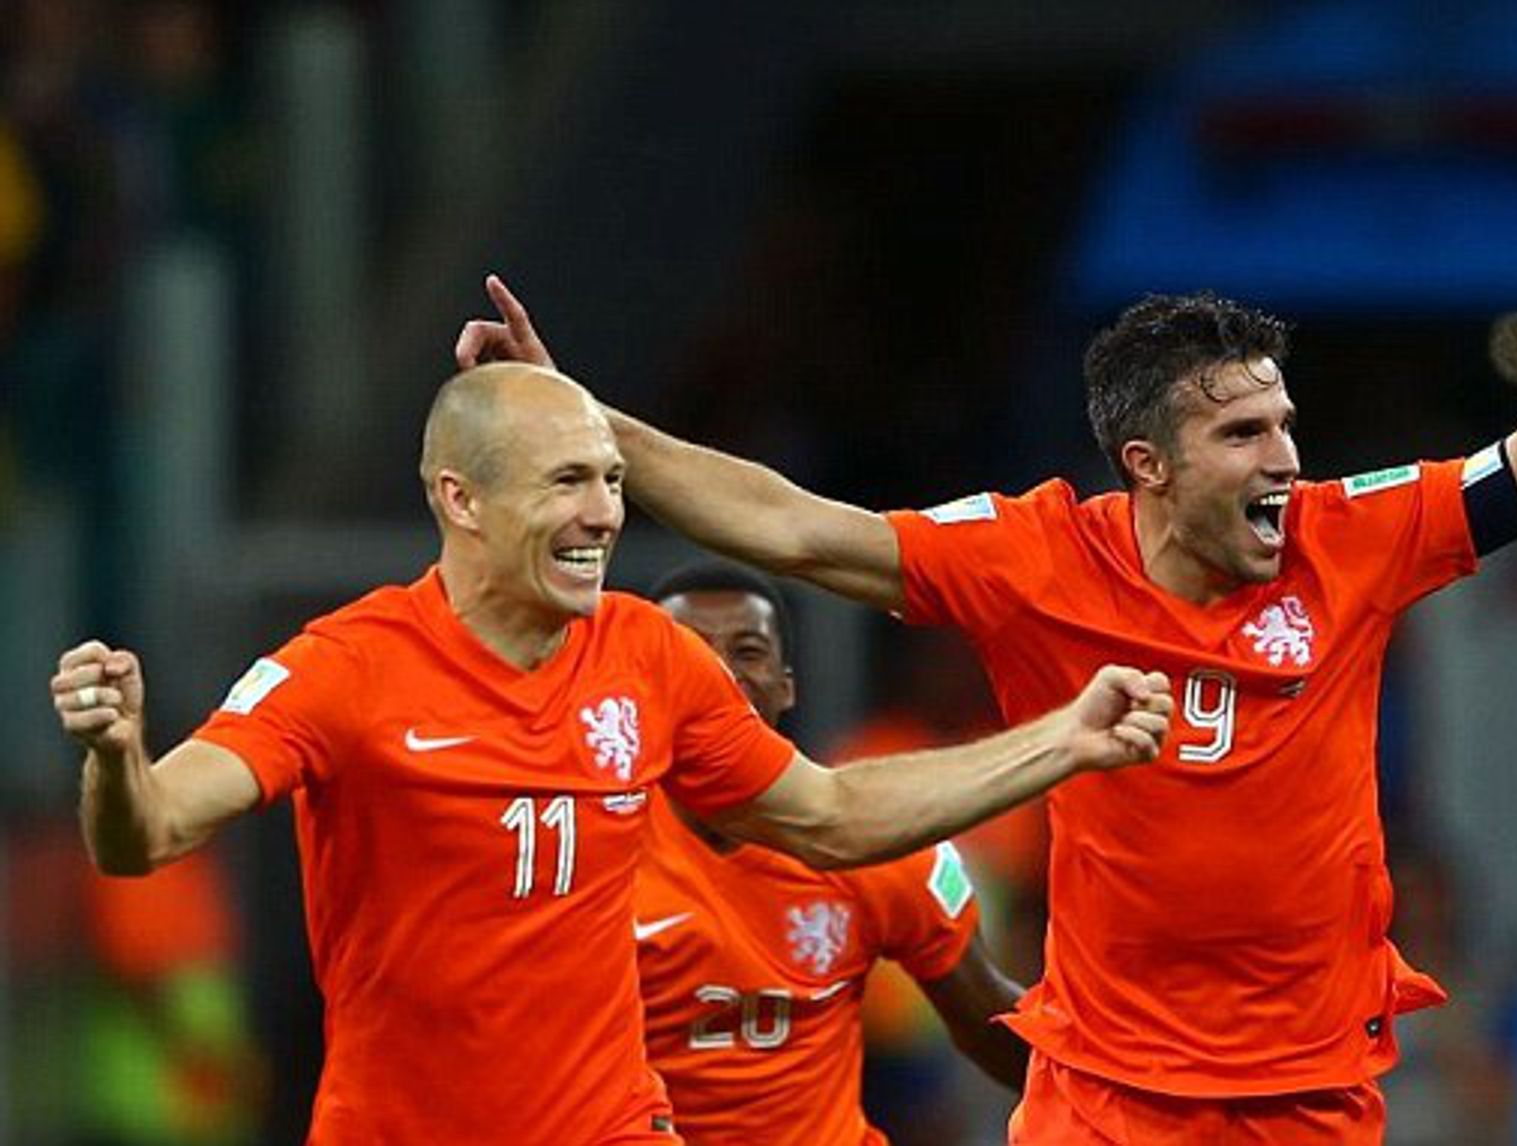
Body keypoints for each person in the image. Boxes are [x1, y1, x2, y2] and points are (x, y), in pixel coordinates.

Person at [456, 79, 1517, 1144]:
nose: (1287, 461)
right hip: (1104, 1098)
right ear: (1147, 466)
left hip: (1313, 1092)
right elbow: (792, 524)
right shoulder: (1036, 558)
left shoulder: (1358, 533)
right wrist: (592, 420)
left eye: (1287, 424)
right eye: (1246, 437)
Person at [47, 363, 1173, 1145]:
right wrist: (114, 755)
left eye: (611, 482)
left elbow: (828, 815)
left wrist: (1063, 739)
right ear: (461, 500)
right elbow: (146, 835)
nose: (602, 516)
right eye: (567, 483)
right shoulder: (346, 668)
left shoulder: (645, 652)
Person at [641, 559, 1028, 1144]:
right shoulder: (581, 847)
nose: (722, 675)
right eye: (692, 652)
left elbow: (991, 1026)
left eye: (748, 652)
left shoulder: (875, 837)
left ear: (786, 682)